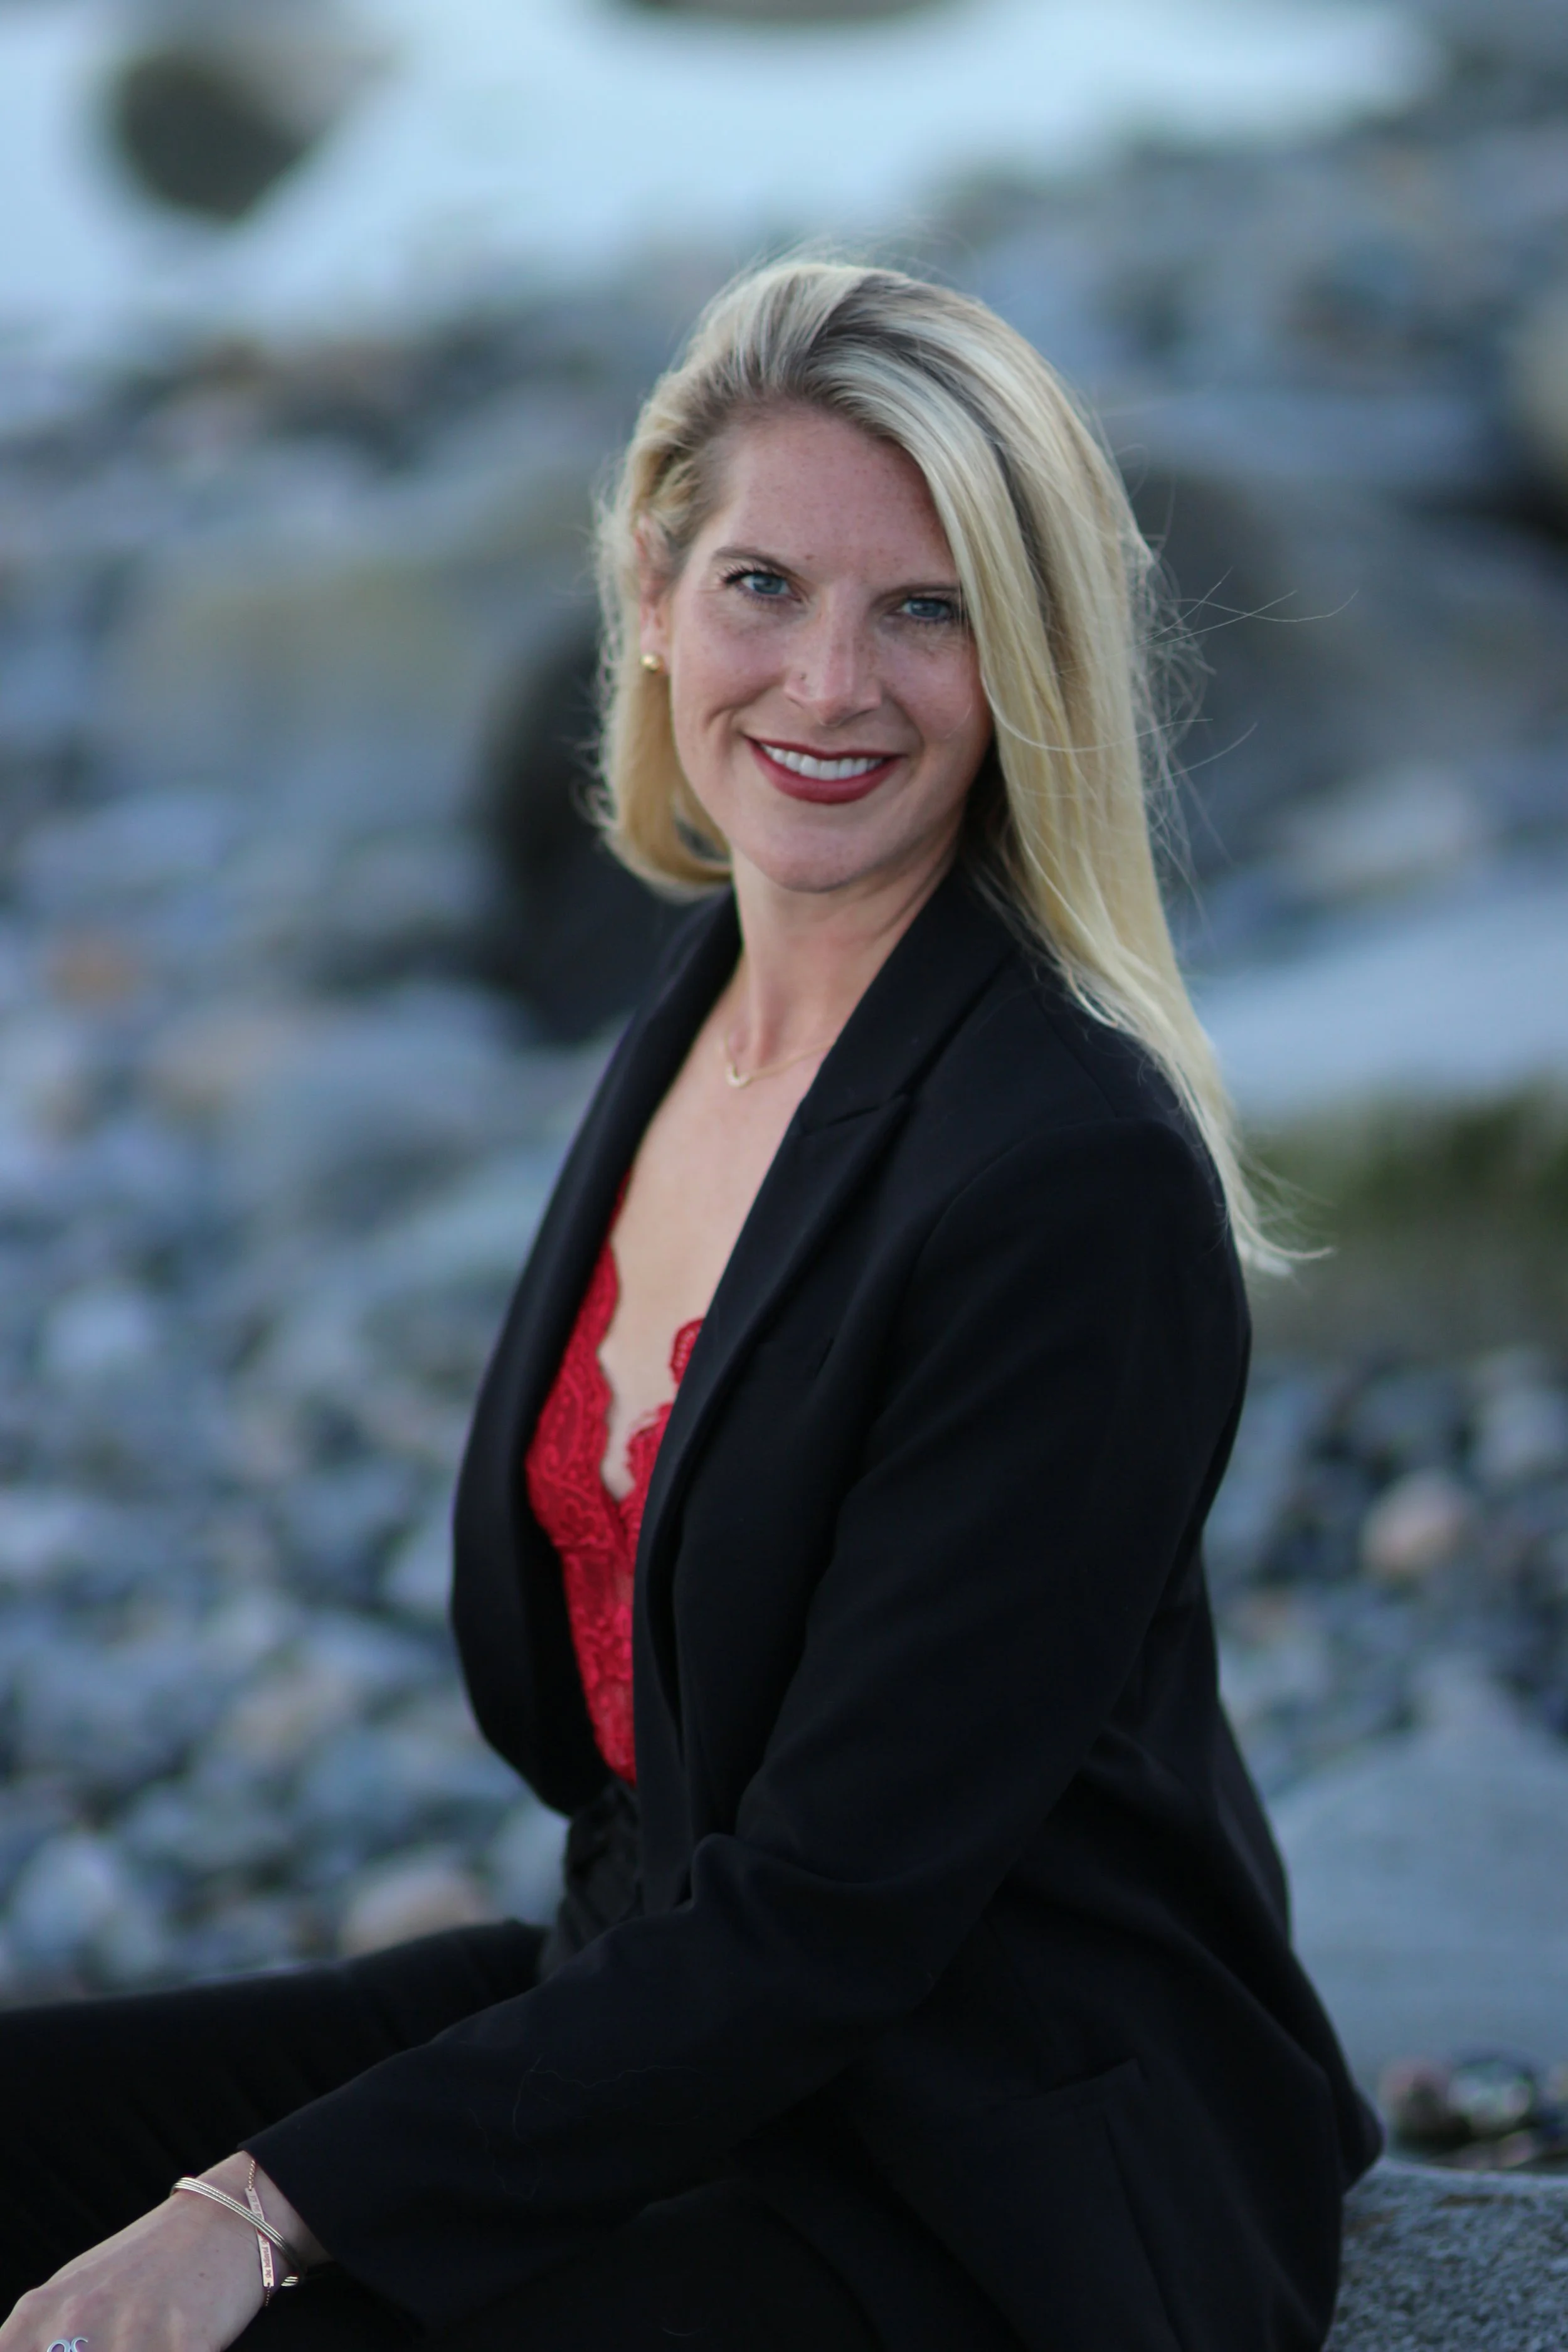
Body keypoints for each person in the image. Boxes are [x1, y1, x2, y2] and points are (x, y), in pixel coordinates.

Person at [0, 258, 1380, 2352]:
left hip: (980, 2156)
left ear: (1029, 662)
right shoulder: (705, 999)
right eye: (763, 585)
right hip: (665, 2003)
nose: (829, 684)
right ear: (649, 590)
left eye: (925, 609)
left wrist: (261, 2205)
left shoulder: (1067, 1178)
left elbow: (833, 1914)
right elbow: (650, 1819)